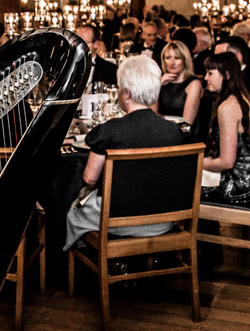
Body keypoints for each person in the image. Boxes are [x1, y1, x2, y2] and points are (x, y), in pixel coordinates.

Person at [64, 56, 187, 250]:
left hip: (119, 219)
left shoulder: (110, 130)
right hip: (165, 218)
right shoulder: (174, 130)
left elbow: (89, 179)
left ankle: (91, 260)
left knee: (72, 212)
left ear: (126, 93)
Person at [200, 52, 250, 205]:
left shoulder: (228, 107)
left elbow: (227, 162)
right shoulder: (240, 98)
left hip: (239, 186)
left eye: (210, 73)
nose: (205, 78)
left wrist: (195, 162)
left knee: (179, 178)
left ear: (227, 75)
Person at [157, 40, 203, 126]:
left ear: (185, 60)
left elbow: (186, 123)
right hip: (159, 130)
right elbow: (151, 115)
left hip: (183, 134)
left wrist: (162, 118)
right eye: (168, 58)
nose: (172, 63)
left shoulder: (194, 84)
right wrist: (158, 86)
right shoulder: (160, 81)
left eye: (177, 58)